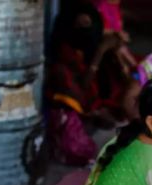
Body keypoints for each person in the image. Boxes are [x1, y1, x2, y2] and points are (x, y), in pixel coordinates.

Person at [45, 2, 127, 165]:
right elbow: (81, 88)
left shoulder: (89, 46)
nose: (85, 26)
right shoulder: (63, 63)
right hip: (75, 116)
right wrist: (100, 51)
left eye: (89, 23)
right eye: (81, 22)